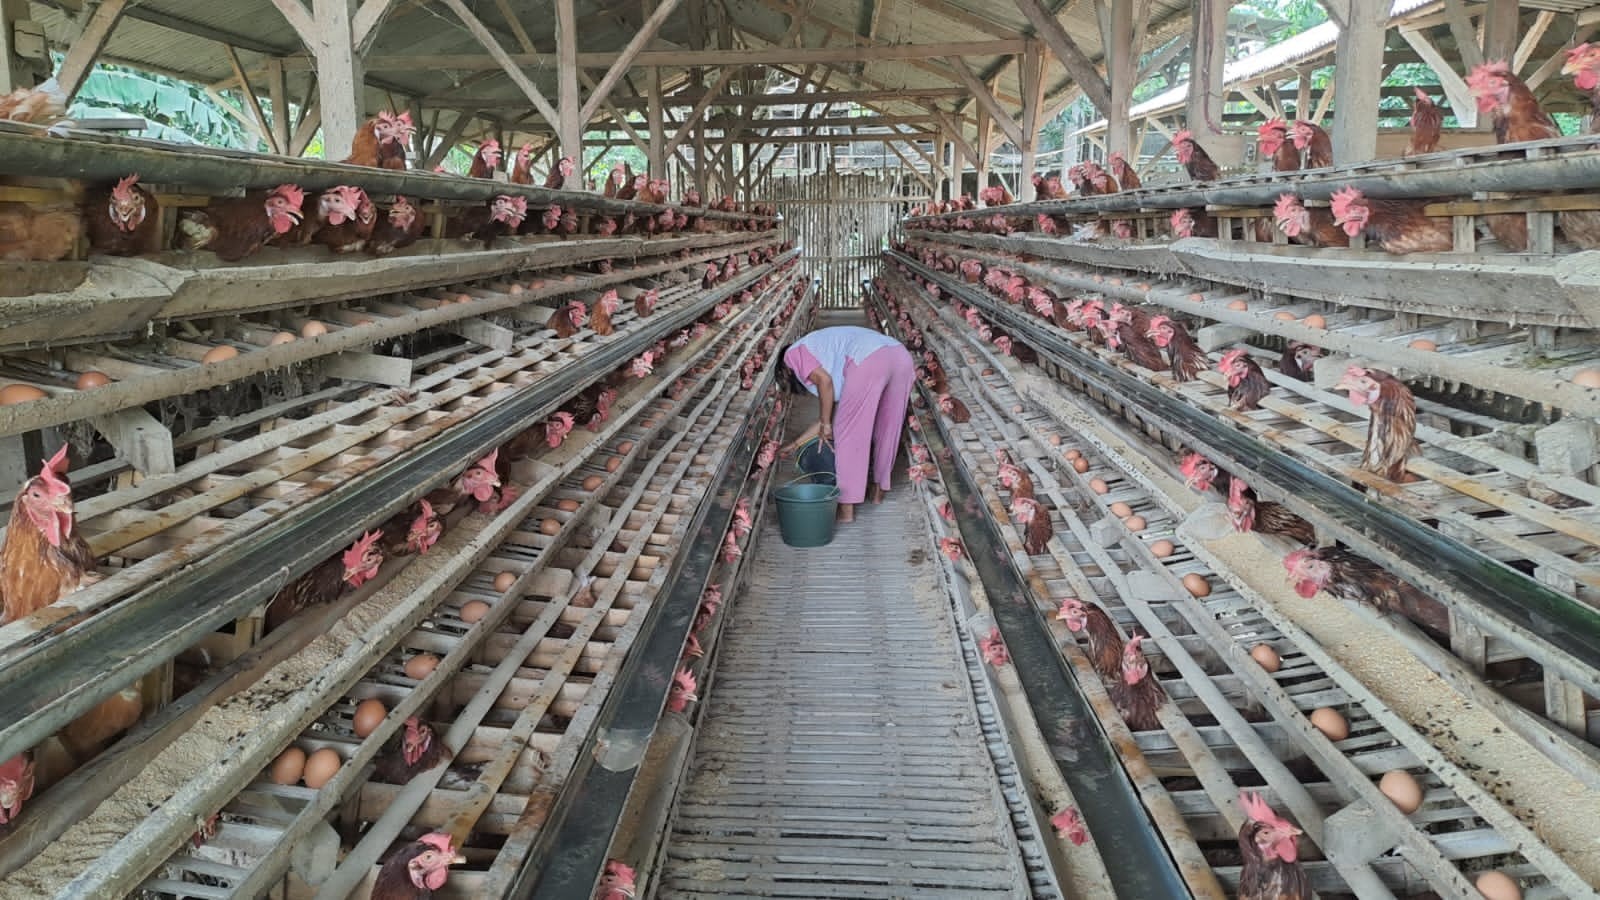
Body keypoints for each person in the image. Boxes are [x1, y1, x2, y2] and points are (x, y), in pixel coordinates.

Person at [777, 326, 916, 523]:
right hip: (900, 356)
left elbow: (824, 383)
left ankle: (846, 509)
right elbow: (828, 414)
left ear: (783, 371)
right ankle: (877, 491)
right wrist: (795, 444)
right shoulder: (826, 352)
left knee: (848, 434)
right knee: (888, 429)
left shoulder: (792, 354)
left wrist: (826, 425)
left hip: (868, 359)